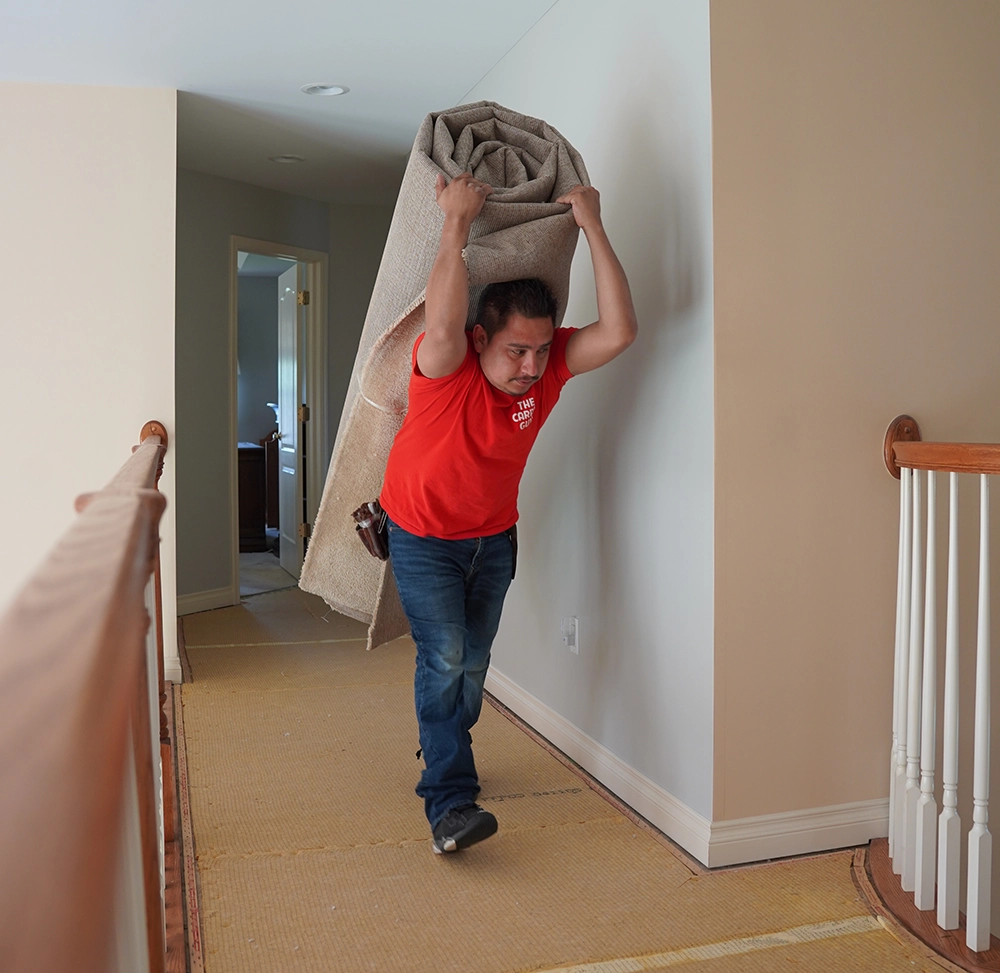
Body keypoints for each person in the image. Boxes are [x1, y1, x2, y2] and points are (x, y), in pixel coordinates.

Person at [378, 171, 637, 854]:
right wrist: (456, 221)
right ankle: (449, 803)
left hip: (492, 538)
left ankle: (442, 748)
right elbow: (440, 316)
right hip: (423, 536)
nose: (530, 364)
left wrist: (593, 226)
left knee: (473, 660)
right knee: (446, 655)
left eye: (540, 349)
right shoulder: (445, 368)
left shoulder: (547, 372)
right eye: (515, 350)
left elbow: (619, 330)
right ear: (480, 339)